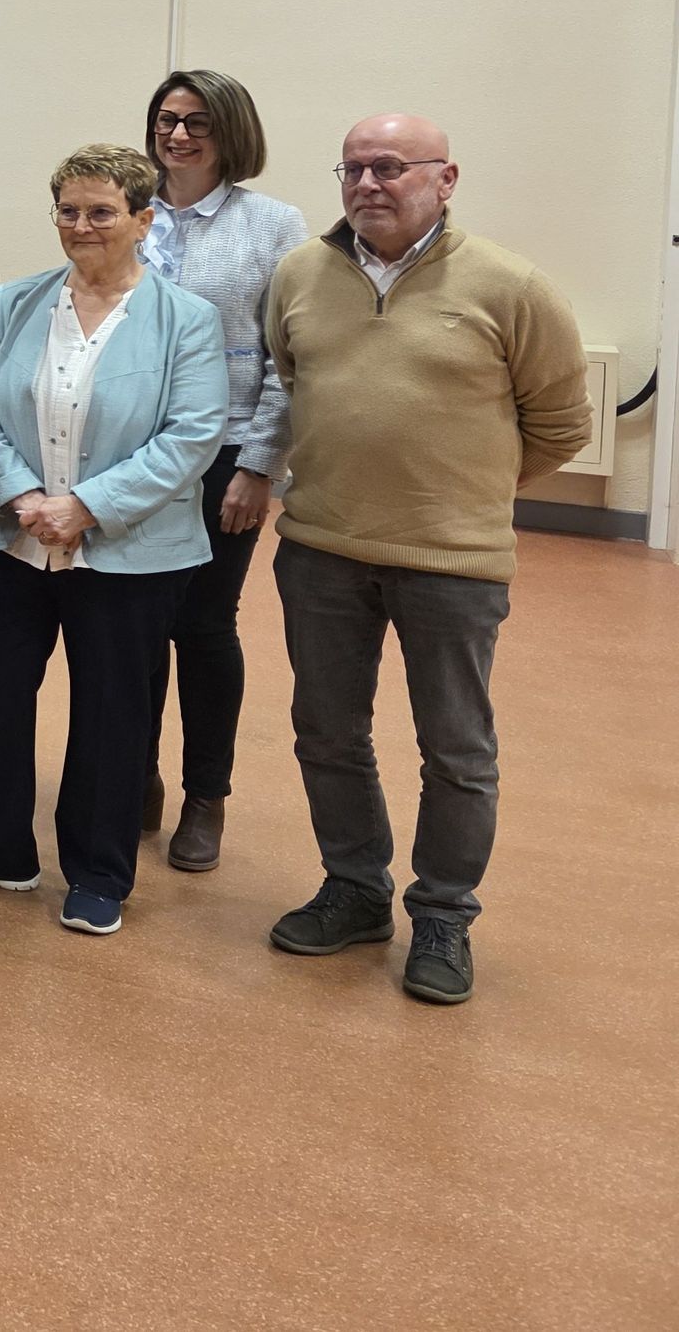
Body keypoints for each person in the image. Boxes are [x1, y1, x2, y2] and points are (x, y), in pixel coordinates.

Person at [261, 116, 586, 1005]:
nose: (368, 183)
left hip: (453, 560)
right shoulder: (299, 273)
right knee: (328, 732)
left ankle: (443, 915)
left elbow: (561, 425)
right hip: (321, 546)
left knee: (456, 748)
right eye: (353, 168)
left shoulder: (512, 286)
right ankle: (355, 890)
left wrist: (464, 490)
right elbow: (291, 377)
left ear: (445, 179)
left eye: (391, 167)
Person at [0, 145, 226, 937]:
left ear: (144, 221)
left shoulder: (186, 319)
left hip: (128, 553)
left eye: (102, 212)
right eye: (69, 211)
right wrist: (21, 496)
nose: (82, 226)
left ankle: (99, 872)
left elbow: (192, 436)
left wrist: (85, 506)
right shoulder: (19, 301)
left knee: (114, 712)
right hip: (7, 539)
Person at [137, 69, 310, 871]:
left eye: (198, 121)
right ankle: (134, 774)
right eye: (167, 119)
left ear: (231, 130)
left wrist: (260, 464)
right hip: (128, 457)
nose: (178, 135)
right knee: (131, 624)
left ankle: (206, 796)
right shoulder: (128, 208)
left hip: (223, 455)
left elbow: (288, 357)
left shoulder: (272, 226)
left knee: (203, 626)